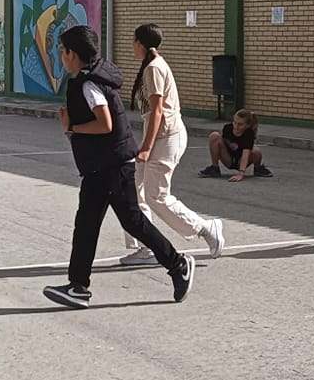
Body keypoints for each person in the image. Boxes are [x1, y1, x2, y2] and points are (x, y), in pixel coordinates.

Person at [42, 25, 194, 309]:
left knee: (132, 220)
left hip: (113, 165)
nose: (61, 56)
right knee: (86, 224)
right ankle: (78, 286)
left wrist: (71, 126)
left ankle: (178, 264)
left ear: (73, 54)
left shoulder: (89, 84)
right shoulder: (91, 77)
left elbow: (105, 124)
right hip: (100, 165)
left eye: (62, 51)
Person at [121, 24, 225, 265]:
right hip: (157, 137)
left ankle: (205, 228)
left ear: (140, 43)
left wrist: (146, 147)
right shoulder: (151, 66)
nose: (131, 46)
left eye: (133, 41)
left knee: (156, 195)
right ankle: (145, 247)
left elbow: (157, 109)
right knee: (135, 191)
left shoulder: (154, 68)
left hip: (166, 138)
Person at [202, 109, 269, 181]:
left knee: (256, 151)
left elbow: (246, 154)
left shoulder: (249, 134)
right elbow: (220, 145)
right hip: (228, 159)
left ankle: (258, 168)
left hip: (241, 161)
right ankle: (214, 168)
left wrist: (241, 173)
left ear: (247, 125)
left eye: (240, 124)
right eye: (235, 122)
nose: (236, 126)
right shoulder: (227, 128)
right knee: (214, 135)